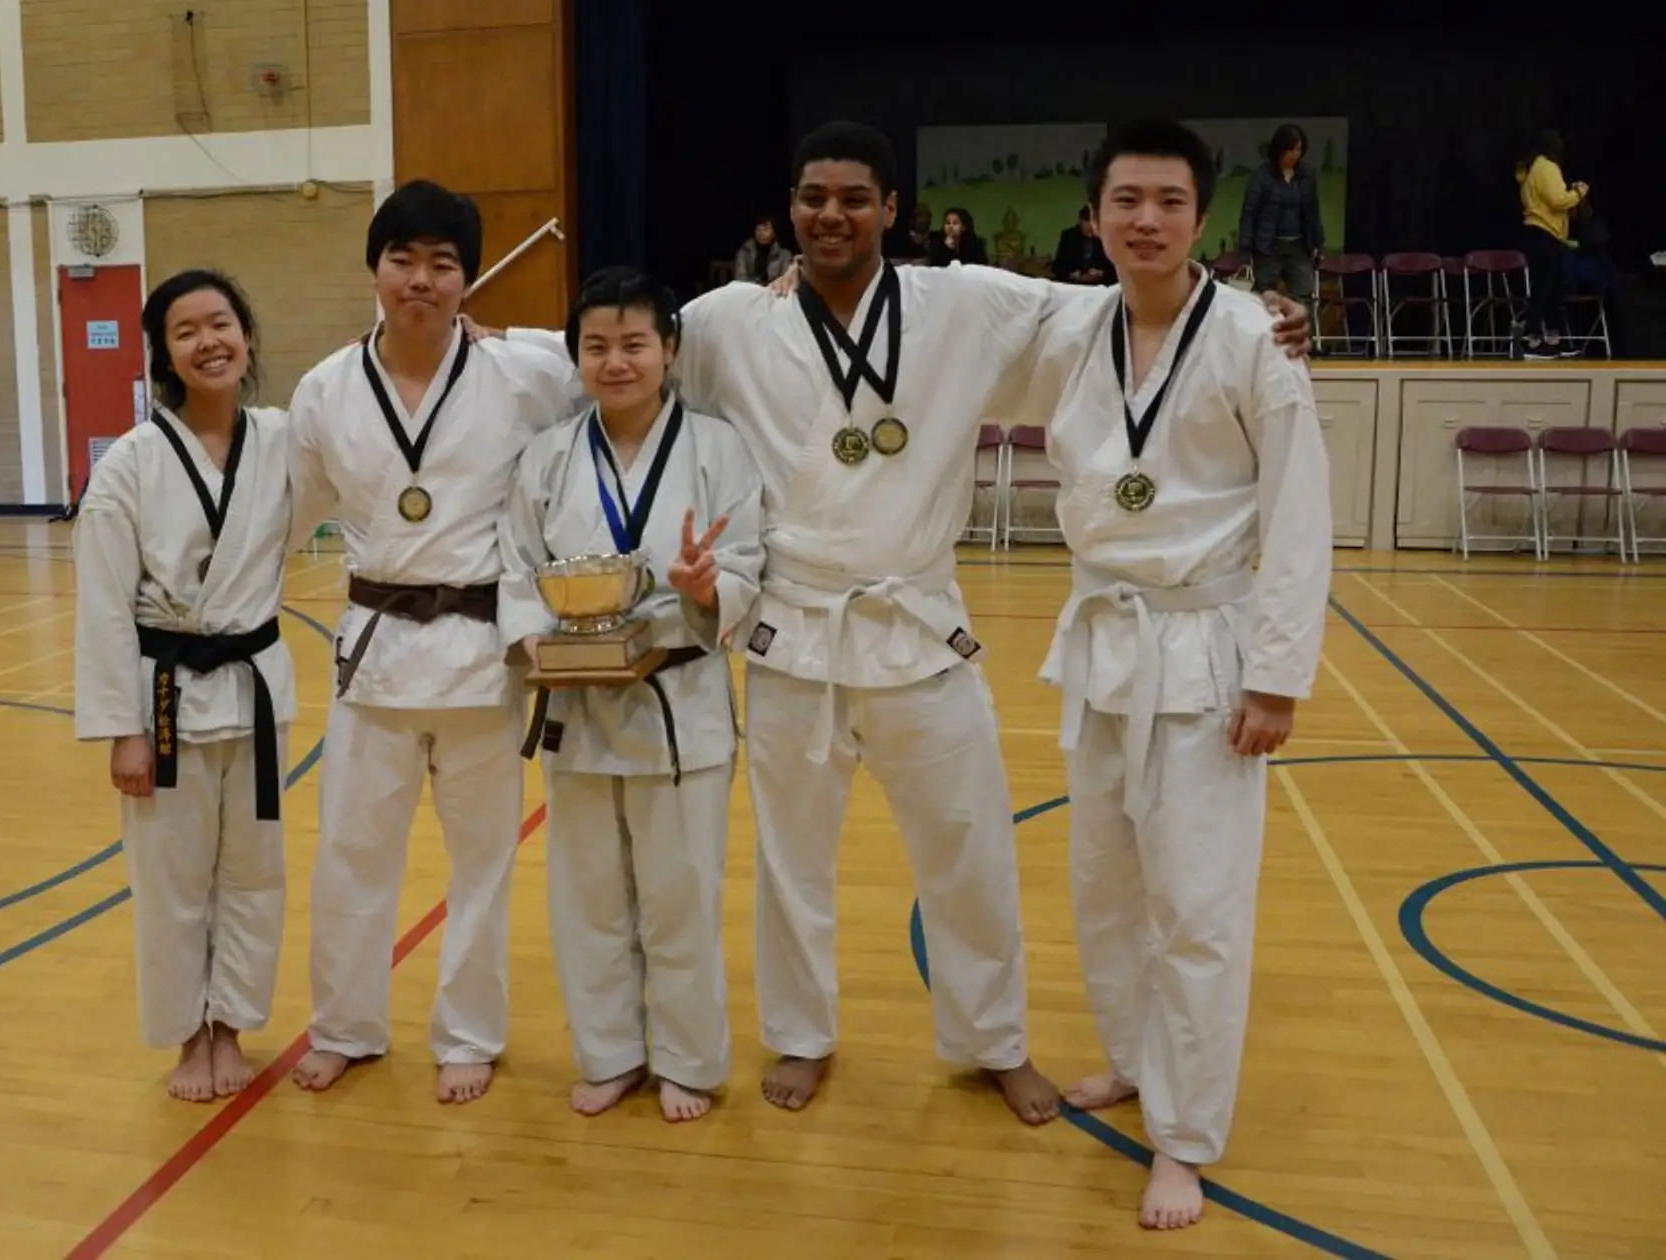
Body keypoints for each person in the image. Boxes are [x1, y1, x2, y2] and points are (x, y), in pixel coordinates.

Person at [495, 120, 1315, 1123]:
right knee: (791, 862)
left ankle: (993, 1040)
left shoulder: (960, 302)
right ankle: (801, 1035)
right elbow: (617, 350)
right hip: (795, 626)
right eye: (812, 198)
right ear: (790, 209)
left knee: (970, 850)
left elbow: (1117, 305)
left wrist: (1253, 314)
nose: (830, 215)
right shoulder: (730, 320)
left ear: (891, 209)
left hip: (918, 621)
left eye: (854, 198)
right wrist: (475, 345)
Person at [1037, 120, 1332, 1231]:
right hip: (1103, 644)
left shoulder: (1256, 339)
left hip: (1206, 646)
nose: (1146, 220)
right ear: (1094, 216)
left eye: (1168, 201)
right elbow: (935, 304)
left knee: (1197, 906)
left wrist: (1277, 676)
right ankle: (1131, 1059)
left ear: (1202, 218)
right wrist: (790, 283)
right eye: (1126, 200)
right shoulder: (1072, 325)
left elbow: (1299, 513)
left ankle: (1185, 1138)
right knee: (1105, 883)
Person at [285, 180, 584, 1105]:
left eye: (442, 264)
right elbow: (284, 516)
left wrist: (776, 293)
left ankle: (468, 1035)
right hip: (374, 653)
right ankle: (344, 1027)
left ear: (467, 279)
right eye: (402, 260)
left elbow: (635, 355)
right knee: (352, 854)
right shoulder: (325, 390)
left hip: (483, 652)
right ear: (374, 269)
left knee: (483, 864)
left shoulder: (525, 372)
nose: (421, 279)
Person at [497, 266, 764, 1123]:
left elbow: (749, 558)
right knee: (587, 896)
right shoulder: (547, 456)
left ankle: (689, 1060)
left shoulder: (719, 448)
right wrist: (532, 641)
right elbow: (516, 566)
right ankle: (609, 1053)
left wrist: (707, 586)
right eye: (597, 346)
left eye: (635, 344)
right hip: (577, 701)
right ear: (576, 356)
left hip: (679, 701)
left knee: (682, 895)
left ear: (669, 349)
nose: (616, 363)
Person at [73, 269, 297, 1103]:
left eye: (221, 323)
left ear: (247, 334)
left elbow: (360, 424)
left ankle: (231, 1024)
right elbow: (103, 604)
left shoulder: (282, 439)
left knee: (254, 876)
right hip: (163, 697)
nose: (209, 342)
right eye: (186, 331)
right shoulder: (130, 463)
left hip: (255, 691)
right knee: (171, 885)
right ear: (164, 355)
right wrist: (121, 730)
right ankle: (186, 1037)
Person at [1516, 131, 1589, 358]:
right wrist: (1579, 192)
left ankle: (1553, 339)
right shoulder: (1546, 167)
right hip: (1543, 232)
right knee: (1544, 287)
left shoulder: (1532, 168)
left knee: (1554, 288)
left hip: (1547, 234)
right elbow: (1557, 200)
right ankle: (1532, 340)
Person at [1236, 123, 1325, 300]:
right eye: (1290, 150)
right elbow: (1249, 213)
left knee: (1303, 295)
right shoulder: (1262, 176)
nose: (1295, 154)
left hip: (1299, 247)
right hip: (1268, 247)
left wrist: (1317, 243)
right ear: (1279, 149)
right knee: (1264, 297)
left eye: (1298, 149)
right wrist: (1246, 249)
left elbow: (1313, 211)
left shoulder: (1306, 175)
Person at [734, 215, 794, 284]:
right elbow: (740, 278)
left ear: (774, 233)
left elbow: (785, 279)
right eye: (758, 230)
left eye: (765, 230)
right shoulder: (745, 252)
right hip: (750, 288)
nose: (761, 233)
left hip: (773, 288)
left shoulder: (784, 255)